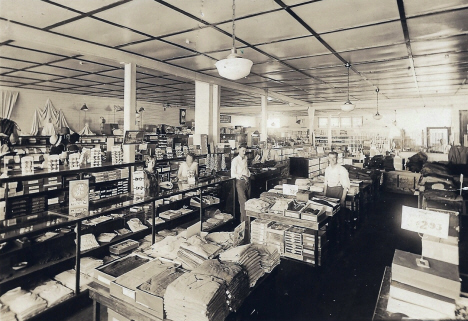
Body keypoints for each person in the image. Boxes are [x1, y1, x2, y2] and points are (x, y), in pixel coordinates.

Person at [231, 145, 251, 223]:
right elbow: (233, 174)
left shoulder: (245, 158)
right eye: (243, 150)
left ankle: (245, 221)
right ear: (238, 150)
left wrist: (249, 175)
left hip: (247, 181)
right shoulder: (235, 160)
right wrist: (242, 176)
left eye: (245, 151)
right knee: (243, 202)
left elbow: (246, 169)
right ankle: (245, 223)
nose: (244, 152)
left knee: (248, 202)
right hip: (240, 182)